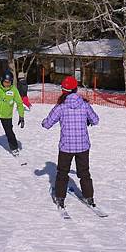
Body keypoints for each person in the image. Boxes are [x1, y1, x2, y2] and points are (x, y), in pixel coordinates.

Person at [41, 75, 99, 209]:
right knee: (84, 173)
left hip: (66, 147)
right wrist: (88, 120)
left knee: (62, 173)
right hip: (83, 146)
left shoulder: (61, 106)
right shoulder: (84, 105)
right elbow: (95, 120)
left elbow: (48, 124)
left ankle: (60, 198)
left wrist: (43, 122)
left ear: (63, 91)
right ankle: (89, 197)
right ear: (75, 89)